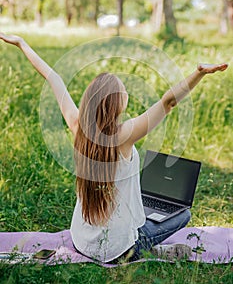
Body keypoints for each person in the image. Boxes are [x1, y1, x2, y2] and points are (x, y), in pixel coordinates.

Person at [0, 32, 228, 263]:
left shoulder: (78, 126)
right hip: (118, 251)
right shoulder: (124, 135)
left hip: (82, 242)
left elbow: (53, 77)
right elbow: (168, 102)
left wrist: (22, 43)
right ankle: (146, 250)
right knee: (182, 214)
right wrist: (199, 73)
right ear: (117, 102)